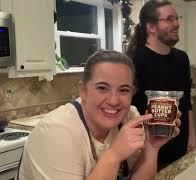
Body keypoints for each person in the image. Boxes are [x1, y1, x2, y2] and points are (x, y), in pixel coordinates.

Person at [18, 50, 181, 180]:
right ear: (83, 91)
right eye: (102, 88)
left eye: (124, 90)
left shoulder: (129, 116)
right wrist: (114, 155)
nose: (114, 100)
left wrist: (151, 148)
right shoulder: (57, 131)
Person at [127, 0, 196, 170]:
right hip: (146, 151)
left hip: (179, 144)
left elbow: (186, 102)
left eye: (177, 18)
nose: (177, 23)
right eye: (170, 19)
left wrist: (192, 138)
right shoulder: (134, 60)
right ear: (151, 27)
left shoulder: (182, 58)